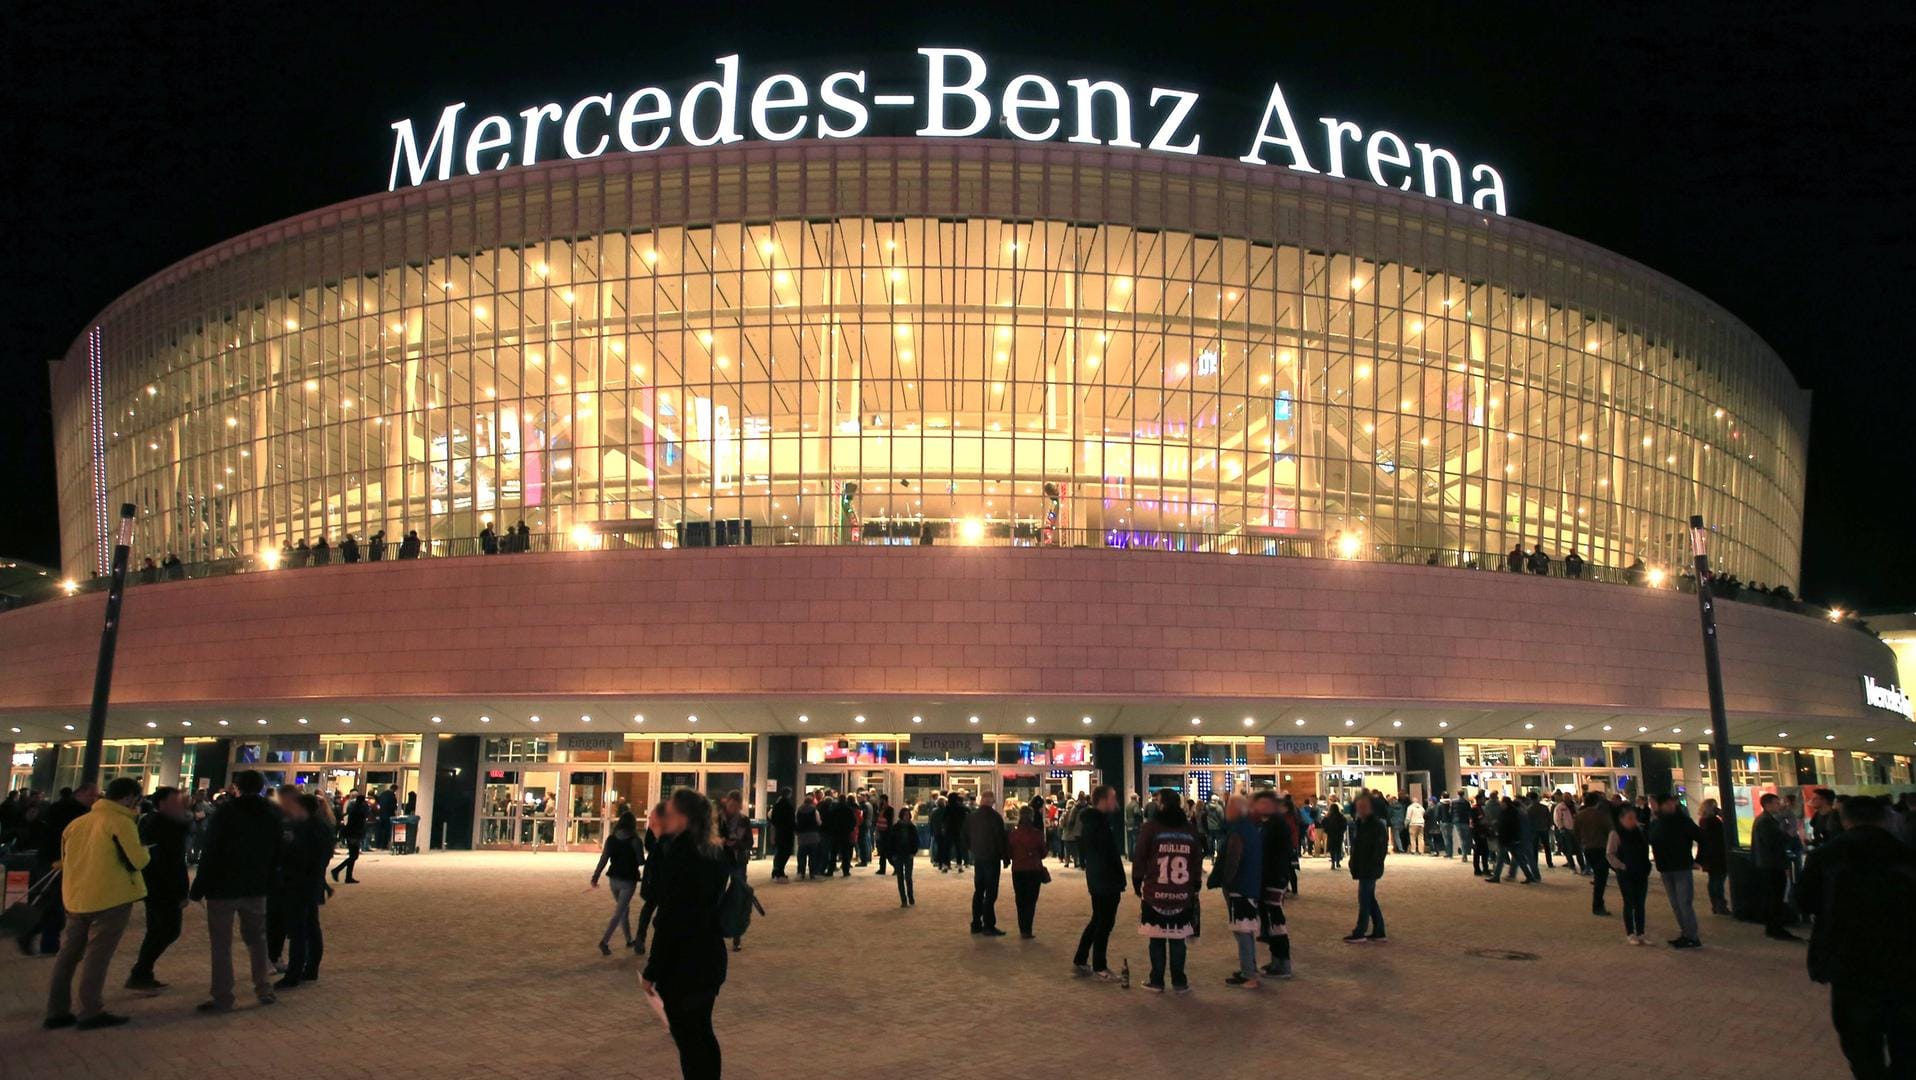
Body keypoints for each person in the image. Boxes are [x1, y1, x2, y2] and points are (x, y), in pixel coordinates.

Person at [1796, 795, 1916, 1078]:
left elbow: (1804, 902)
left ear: (1844, 819)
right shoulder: (1906, 855)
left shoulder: (1826, 856)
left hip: (1848, 963)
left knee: (1861, 1047)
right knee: (1906, 1045)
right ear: (1884, 819)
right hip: (1905, 963)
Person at [43, 777, 149, 1030]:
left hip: (75, 897)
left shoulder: (77, 823)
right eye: (136, 798)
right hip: (109, 897)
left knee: (67, 956)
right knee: (97, 957)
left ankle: (56, 1011)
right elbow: (138, 861)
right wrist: (145, 850)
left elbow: (66, 858)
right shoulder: (121, 822)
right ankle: (90, 1010)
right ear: (127, 798)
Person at [641, 788, 730, 1080]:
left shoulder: (680, 855)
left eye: (668, 811)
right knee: (702, 1033)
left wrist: (652, 970)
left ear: (683, 818)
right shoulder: (713, 851)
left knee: (688, 1039)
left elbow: (664, 910)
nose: (663, 816)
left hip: (684, 964)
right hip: (710, 958)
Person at [189, 769, 281, 1012]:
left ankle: (223, 995)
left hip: (223, 885)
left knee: (221, 944)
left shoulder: (226, 813)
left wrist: (199, 887)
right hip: (256, 885)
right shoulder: (271, 812)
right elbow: (278, 850)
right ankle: (263, 987)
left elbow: (212, 850)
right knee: (257, 939)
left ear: (236, 787)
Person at [1132, 789, 1201, 993]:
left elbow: (1140, 856)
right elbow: (1196, 859)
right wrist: (1195, 884)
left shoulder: (1151, 828)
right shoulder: (1189, 830)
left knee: (1157, 938)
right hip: (1181, 893)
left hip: (1156, 892)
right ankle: (1179, 981)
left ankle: (1157, 979)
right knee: (1178, 939)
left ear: (1162, 805)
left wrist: (1137, 881)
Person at [125, 785, 190, 992]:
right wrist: (180, 891)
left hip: (155, 885)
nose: (180, 803)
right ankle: (141, 971)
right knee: (168, 929)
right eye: (176, 800)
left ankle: (142, 972)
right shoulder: (161, 825)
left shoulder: (155, 822)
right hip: (162, 886)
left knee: (158, 929)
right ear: (162, 803)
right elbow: (170, 862)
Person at [19, 783, 94, 958]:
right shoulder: (76, 812)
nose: (94, 798)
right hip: (57, 860)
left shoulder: (59, 808)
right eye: (92, 794)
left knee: (51, 901)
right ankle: (43, 939)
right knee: (53, 903)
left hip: (51, 859)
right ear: (81, 793)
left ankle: (44, 940)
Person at [1072, 785, 1125, 980]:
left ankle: (1080, 958)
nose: (1116, 802)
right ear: (1103, 800)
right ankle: (1099, 965)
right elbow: (1106, 854)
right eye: (1113, 798)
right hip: (1104, 880)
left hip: (1100, 879)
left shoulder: (1095, 822)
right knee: (1104, 923)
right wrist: (1116, 877)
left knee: (1097, 920)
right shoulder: (1098, 824)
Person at [1213, 794, 1264, 988]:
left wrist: (1227, 882)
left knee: (1242, 930)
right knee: (1246, 929)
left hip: (1240, 887)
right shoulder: (1250, 829)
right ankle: (1249, 968)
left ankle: (1249, 974)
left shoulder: (1238, 832)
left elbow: (1233, 861)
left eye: (1228, 807)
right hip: (1249, 885)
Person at [1648, 794, 1703, 948]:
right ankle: (1686, 933)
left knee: (1684, 903)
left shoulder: (1682, 821)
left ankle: (1691, 936)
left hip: (1681, 867)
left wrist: (1698, 860)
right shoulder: (1657, 821)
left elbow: (1702, 838)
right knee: (1676, 903)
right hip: (1666, 867)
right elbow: (1652, 839)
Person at [1252, 790, 1295, 979]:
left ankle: (1283, 962)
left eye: (1263, 803)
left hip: (1274, 877)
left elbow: (1274, 854)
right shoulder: (1268, 824)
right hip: (1269, 876)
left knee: (1276, 920)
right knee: (1271, 920)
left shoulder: (1276, 825)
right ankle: (1277, 959)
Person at [590, 810, 645, 955]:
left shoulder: (611, 839)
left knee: (623, 910)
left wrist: (595, 877)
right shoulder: (635, 840)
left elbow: (603, 860)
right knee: (620, 911)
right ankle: (604, 941)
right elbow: (640, 861)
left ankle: (628, 939)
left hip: (613, 879)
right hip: (628, 880)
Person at [1751, 792, 1799, 940]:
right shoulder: (1766, 822)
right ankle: (1775, 928)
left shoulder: (1764, 820)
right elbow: (1775, 841)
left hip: (1767, 864)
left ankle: (1773, 927)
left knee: (1773, 897)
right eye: (1776, 803)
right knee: (1775, 897)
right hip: (1772, 865)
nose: (1779, 806)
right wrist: (1789, 835)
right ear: (1768, 804)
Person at [1343, 793, 1389, 943]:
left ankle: (1360, 931)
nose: (1360, 808)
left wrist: (1373, 864)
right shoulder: (1361, 824)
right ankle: (1379, 930)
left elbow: (1379, 849)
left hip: (1370, 868)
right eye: (1359, 806)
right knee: (1369, 898)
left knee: (1364, 899)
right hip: (1363, 867)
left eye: (1364, 806)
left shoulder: (1376, 825)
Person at [1606, 804, 1653, 945]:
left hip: (1641, 871)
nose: (1633, 820)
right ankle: (1630, 933)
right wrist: (1621, 866)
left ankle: (1641, 932)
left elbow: (1645, 850)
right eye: (1630, 818)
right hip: (1626, 873)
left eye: (1634, 818)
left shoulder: (1639, 832)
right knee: (1629, 902)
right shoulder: (1616, 834)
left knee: (1640, 903)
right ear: (1621, 819)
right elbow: (1610, 854)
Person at [965, 790, 1009, 936]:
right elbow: (1000, 838)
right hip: (992, 858)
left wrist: (972, 850)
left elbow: (964, 836)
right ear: (991, 801)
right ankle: (989, 925)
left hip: (979, 857)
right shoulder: (995, 817)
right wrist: (1005, 857)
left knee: (978, 891)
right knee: (991, 892)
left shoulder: (972, 817)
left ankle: (976, 922)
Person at [719, 790, 753, 951]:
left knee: (738, 897)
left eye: (736, 805)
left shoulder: (744, 821)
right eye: (731, 804)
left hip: (738, 861)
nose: (733, 808)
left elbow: (749, 842)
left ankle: (737, 936)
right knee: (717, 895)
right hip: (721, 861)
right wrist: (722, 842)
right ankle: (715, 932)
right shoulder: (718, 819)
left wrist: (736, 844)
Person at [1008, 805, 1048, 938]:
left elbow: (1009, 852)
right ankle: (1028, 929)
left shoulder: (1013, 834)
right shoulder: (1037, 834)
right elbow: (1043, 853)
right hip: (1034, 869)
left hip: (1018, 869)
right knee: (1031, 900)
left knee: (1020, 899)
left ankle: (1022, 928)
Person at [633, 803, 667, 954]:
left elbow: (648, 845)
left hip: (655, 876)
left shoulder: (664, 835)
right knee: (655, 909)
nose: (650, 823)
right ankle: (642, 939)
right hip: (658, 877)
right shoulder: (667, 834)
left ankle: (641, 937)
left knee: (649, 909)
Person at [1575, 791, 1616, 915]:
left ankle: (1598, 904)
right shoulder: (1600, 815)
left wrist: (1581, 844)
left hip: (1588, 848)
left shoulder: (1580, 815)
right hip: (1601, 847)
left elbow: (1576, 832)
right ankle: (1598, 905)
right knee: (1601, 878)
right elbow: (1611, 830)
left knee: (1599, 876)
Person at [1696, 798, 1730, 915]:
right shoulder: (1714, 821)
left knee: (1713, 879)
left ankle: (1715, 904)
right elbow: (1727, 828)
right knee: (1719, 880)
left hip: (1709, 855)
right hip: (1718, 854)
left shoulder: (1703, 820)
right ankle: (1720, 904)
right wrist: (1722, 814)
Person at [330, 787, 366, 884]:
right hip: (354, 834)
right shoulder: (359, 811)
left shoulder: (353, 808)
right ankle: (337, 870)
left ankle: (347, 876)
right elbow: (357, 823)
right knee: (354, 856)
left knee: (353, 855)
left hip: (351, 833)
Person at [887, 805, 919, 906]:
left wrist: (913, 853)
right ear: (901, 816)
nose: (906, 817)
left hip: (908, 854)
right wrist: (892, 854)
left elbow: (916, 842)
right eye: (905, 815)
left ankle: (910, 896)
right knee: (900, 878)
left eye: (908, 815)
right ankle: (903, 900)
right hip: (898, 855)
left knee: (908, 877)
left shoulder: (912, 827)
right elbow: (891, 842)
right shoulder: (896, 827)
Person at [793, 793, 821, 881]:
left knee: (802, 855)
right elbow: (819, 822)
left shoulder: (798, 810)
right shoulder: (815, 811)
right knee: (813, 855)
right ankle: (812, 873)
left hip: (802, 835)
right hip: (813, 835)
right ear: (812, 802)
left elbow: (795, 821)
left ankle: (801, 873)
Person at [768, 789, 794, 882]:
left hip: (779, 831)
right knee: (786, 852)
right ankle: (780, 870)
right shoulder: (789, 806)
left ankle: (776, 870)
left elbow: (773, 818)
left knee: (779, 852)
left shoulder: (776, 805)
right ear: (788, 794)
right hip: (787, 832)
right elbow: (791, 820)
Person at [1320, 802, 1346, 871]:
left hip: (1331, 835)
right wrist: (1342, 831)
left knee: (1332, 849)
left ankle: (1333, 863)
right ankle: (1337, 862)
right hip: (1339, 835)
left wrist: (1327, 831)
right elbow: (1344, 825)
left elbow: (1323, 824)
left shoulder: (1328, 817)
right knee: (1338, 848)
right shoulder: (1341, 817)